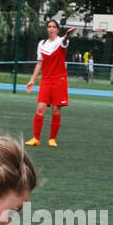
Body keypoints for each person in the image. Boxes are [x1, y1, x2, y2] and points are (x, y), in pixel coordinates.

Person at [25, 19, 78, 147]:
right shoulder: (42, 43)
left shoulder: (62, 41)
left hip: (59, 80)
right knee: (40, 108)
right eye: (49, 26)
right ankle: (36, 138)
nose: (51, 29)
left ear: (57, 30)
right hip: (46, 80)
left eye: (54, 26)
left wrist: (66, 35)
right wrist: (32, 80)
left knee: (55, 110)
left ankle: (52, 139)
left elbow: (65, 41)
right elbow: (39, 63)